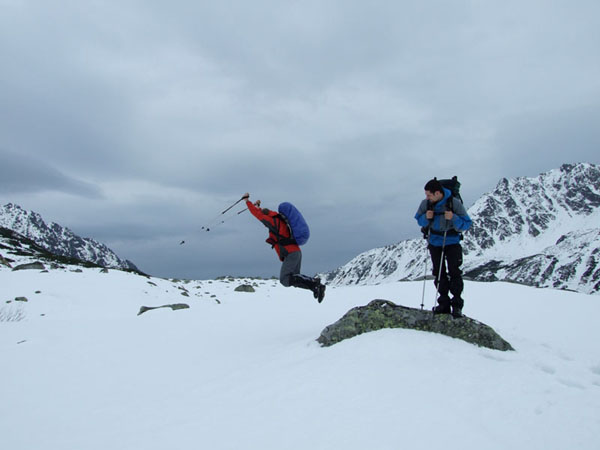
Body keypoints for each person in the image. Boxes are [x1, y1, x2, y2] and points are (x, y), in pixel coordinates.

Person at [242, 193, 326, 302]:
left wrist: (247, 201)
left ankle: (315, 283)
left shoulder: (274, 222)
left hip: (291, 253)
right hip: (295, 252)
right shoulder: (279, 219)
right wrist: (258, 207)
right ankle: (315, 287)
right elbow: (261, 214)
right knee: (294, 278)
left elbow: (259, 216)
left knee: (285, 279)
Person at [415, 179, 472, 317]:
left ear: (438, 193)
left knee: (454, 272)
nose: (427, 197)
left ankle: (457, 305)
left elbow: (467, 224)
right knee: (439, 273)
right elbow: (419, 220)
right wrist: (426, 218)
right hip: (434, 243)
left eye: (429, 195)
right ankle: (444, 303)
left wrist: (454, 218)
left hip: (452, 242)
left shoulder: (454, 203)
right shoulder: (426, 204)